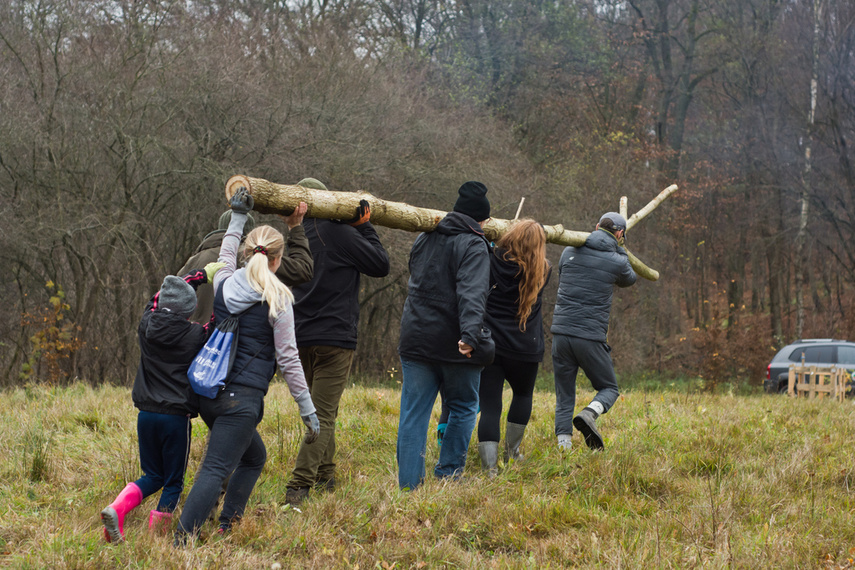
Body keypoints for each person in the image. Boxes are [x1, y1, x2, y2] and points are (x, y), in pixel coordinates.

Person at [175, 188, 320, 543]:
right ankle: (182, 541)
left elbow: (226, 251)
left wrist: (238, 215)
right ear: (277, 259)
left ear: (246, 253)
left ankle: (228, 523)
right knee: (214, 469)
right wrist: (308, 410)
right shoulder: (278, 299)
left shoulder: (224, 283)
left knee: (254, 457)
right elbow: (289, 359)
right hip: (240, 402)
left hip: (209, 394)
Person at [284, 178, 390, 505]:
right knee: (324, 415)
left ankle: (326, 474)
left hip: (299, 336)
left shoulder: (294, 239)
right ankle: (298, 487)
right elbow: (381, 264)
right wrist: (365, 227)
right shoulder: (339, 233)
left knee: (318, 410)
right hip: (335, 337)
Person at [101, 266, 221, 543]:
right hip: (175, 417)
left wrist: (197, 275)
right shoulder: (195, 335)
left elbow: (159, 296)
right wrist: (220, 284)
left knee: (153, 475)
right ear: (189, 311)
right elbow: (219, 321)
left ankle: (117, 508)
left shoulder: (146, 323)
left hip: (146, 415)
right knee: (173, 482)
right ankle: (157, 539)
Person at [396, 181, 494, 491]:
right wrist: (470, 336)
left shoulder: (425, 237)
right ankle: (449, 474)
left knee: (413, 414)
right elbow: (473, 293)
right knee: (464, 406)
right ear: (481, 219)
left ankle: (408, 486)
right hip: (455, 345)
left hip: (415, 338)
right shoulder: (475, 244)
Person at [551, 212, 637, 451]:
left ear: (597, 226)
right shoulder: (618, 260)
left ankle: (564, 448)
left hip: (560, 334)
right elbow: (630, 279)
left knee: (564, 394)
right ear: (620, 234)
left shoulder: (568, 251)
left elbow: (564, 273)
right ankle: (589, 413)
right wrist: (621, 250)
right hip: (589, 336)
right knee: (609, 388)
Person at [476, 219, 551, 475]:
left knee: (490, 405)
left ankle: (489, 468)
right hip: (525, 347)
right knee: (522, 396)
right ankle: (512, 453)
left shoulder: (490, 261)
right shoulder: (544, 270)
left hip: (492, 347)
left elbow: (490, 252)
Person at [179, 206, 313, 324]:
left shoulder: (194, 261)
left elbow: (172, 300)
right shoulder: (256, 257)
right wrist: (295, 227)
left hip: (197, 339)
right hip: (236, 340)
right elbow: (303, 270)